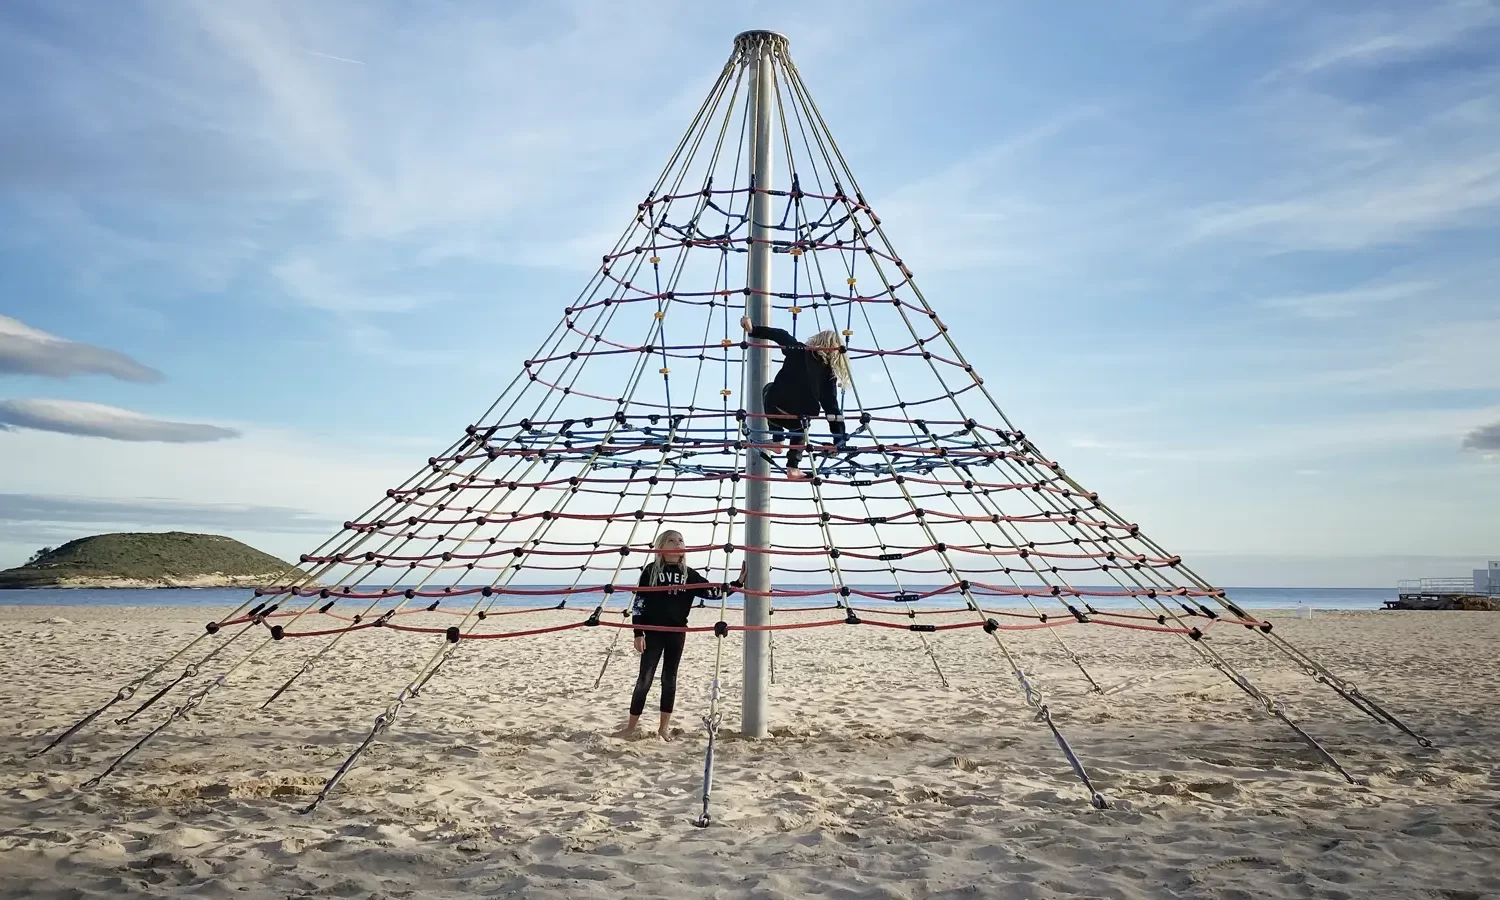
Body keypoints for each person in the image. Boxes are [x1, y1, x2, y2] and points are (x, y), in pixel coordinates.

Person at [618, 530, 742, 741]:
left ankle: (663, 728)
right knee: (644, 679)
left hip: (677, 632)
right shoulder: (650, 571)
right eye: (671, 540)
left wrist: (737, 584)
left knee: (669, 679)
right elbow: (639, 603)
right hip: (653, 632)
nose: (677, 544)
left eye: (681, 540)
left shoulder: (689, 574)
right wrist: (638, 633)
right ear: (661, 547)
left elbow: (711, 591)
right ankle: (630, 727)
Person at [740, 315, 852, 480]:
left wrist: (753, 329)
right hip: (800, 419)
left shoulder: (799, 349)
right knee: (803, 421)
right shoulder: (829, 375)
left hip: (777, 409)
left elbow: (781, 334)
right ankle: (793, 467)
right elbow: (832, 409)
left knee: (768, 388)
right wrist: (839, 442)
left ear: (816, 341)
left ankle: (777, 440)